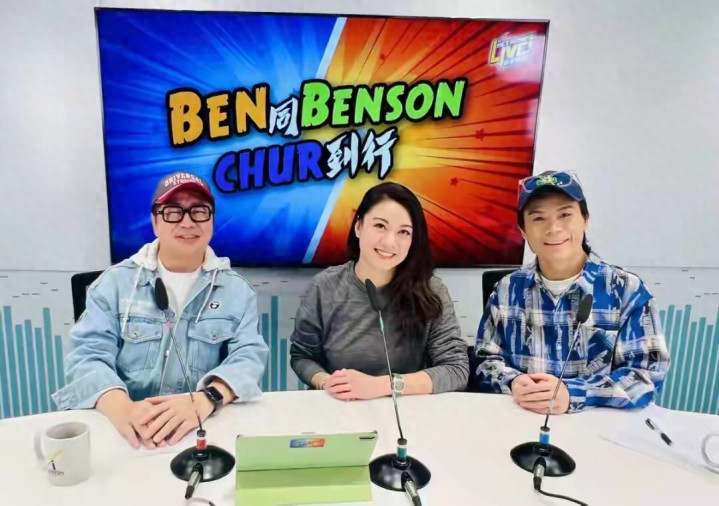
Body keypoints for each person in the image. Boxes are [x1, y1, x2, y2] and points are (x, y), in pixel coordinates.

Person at [52, 171, 268, 448]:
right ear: (155, 222)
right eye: (173, 212)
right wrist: (123, 409)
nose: (188, 222)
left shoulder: (237, 291)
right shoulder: (113, 284)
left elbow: (249, 357)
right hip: (127, 431)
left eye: (199, 211)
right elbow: (85, 356)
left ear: (211, 221)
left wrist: (208, 398)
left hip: (202, 428)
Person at [475, 171, 669, 413]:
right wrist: (512, 382)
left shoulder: (627, 290)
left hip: (597, 424)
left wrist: (575, 393)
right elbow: (485, 360)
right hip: (523, 418)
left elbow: (646, 375)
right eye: (538, 218)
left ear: (585, 219)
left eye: (565, 214)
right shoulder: (506, 289)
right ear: (523, 231)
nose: (553, 228)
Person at [290, 182, 469, 400]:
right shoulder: (324, 286)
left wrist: (383, 385)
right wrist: (327, 382)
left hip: (406, 410)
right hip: (341, 406)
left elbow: (456, 369)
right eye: (380, 226)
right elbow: (302, 356)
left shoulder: (431, 290)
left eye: (403, 232)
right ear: (358, 226)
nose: (389, 242)